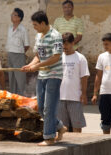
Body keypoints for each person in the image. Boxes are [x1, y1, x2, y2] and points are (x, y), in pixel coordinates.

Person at [21, 11, 67, 146]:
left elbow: (56, 57)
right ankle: (59, 126)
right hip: (41, 75)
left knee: (49, 107)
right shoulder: (38, 36)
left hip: (54, 75)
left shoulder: (55, 36)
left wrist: (37, 66)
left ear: (42, 23)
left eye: (35, 25)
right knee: (41, 107)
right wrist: (30, 65)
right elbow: (38, 56)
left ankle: (49, 137)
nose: (34, 27)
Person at [57, 32, 89, 133]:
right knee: (63, 127)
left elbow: (84, 77)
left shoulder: (80, 58)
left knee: (77, 126)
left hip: (75, 97)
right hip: (60, 97)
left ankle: (78, 147)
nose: (64, 47)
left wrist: (83, 94)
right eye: (62, 44)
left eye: (66, 44)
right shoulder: (58, 58)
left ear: (72, 43)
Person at [6, 8, 30, 95]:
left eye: (14, 15)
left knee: (20, 77)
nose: (12, 16)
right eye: (11, 14)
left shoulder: (23, 29)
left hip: (19, 55)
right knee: (11, 76)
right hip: (10, 54)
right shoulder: (10, 28)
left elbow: (27, 45)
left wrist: (21, 53)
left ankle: (22, 96)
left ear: (19, 18)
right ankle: (13, 95)